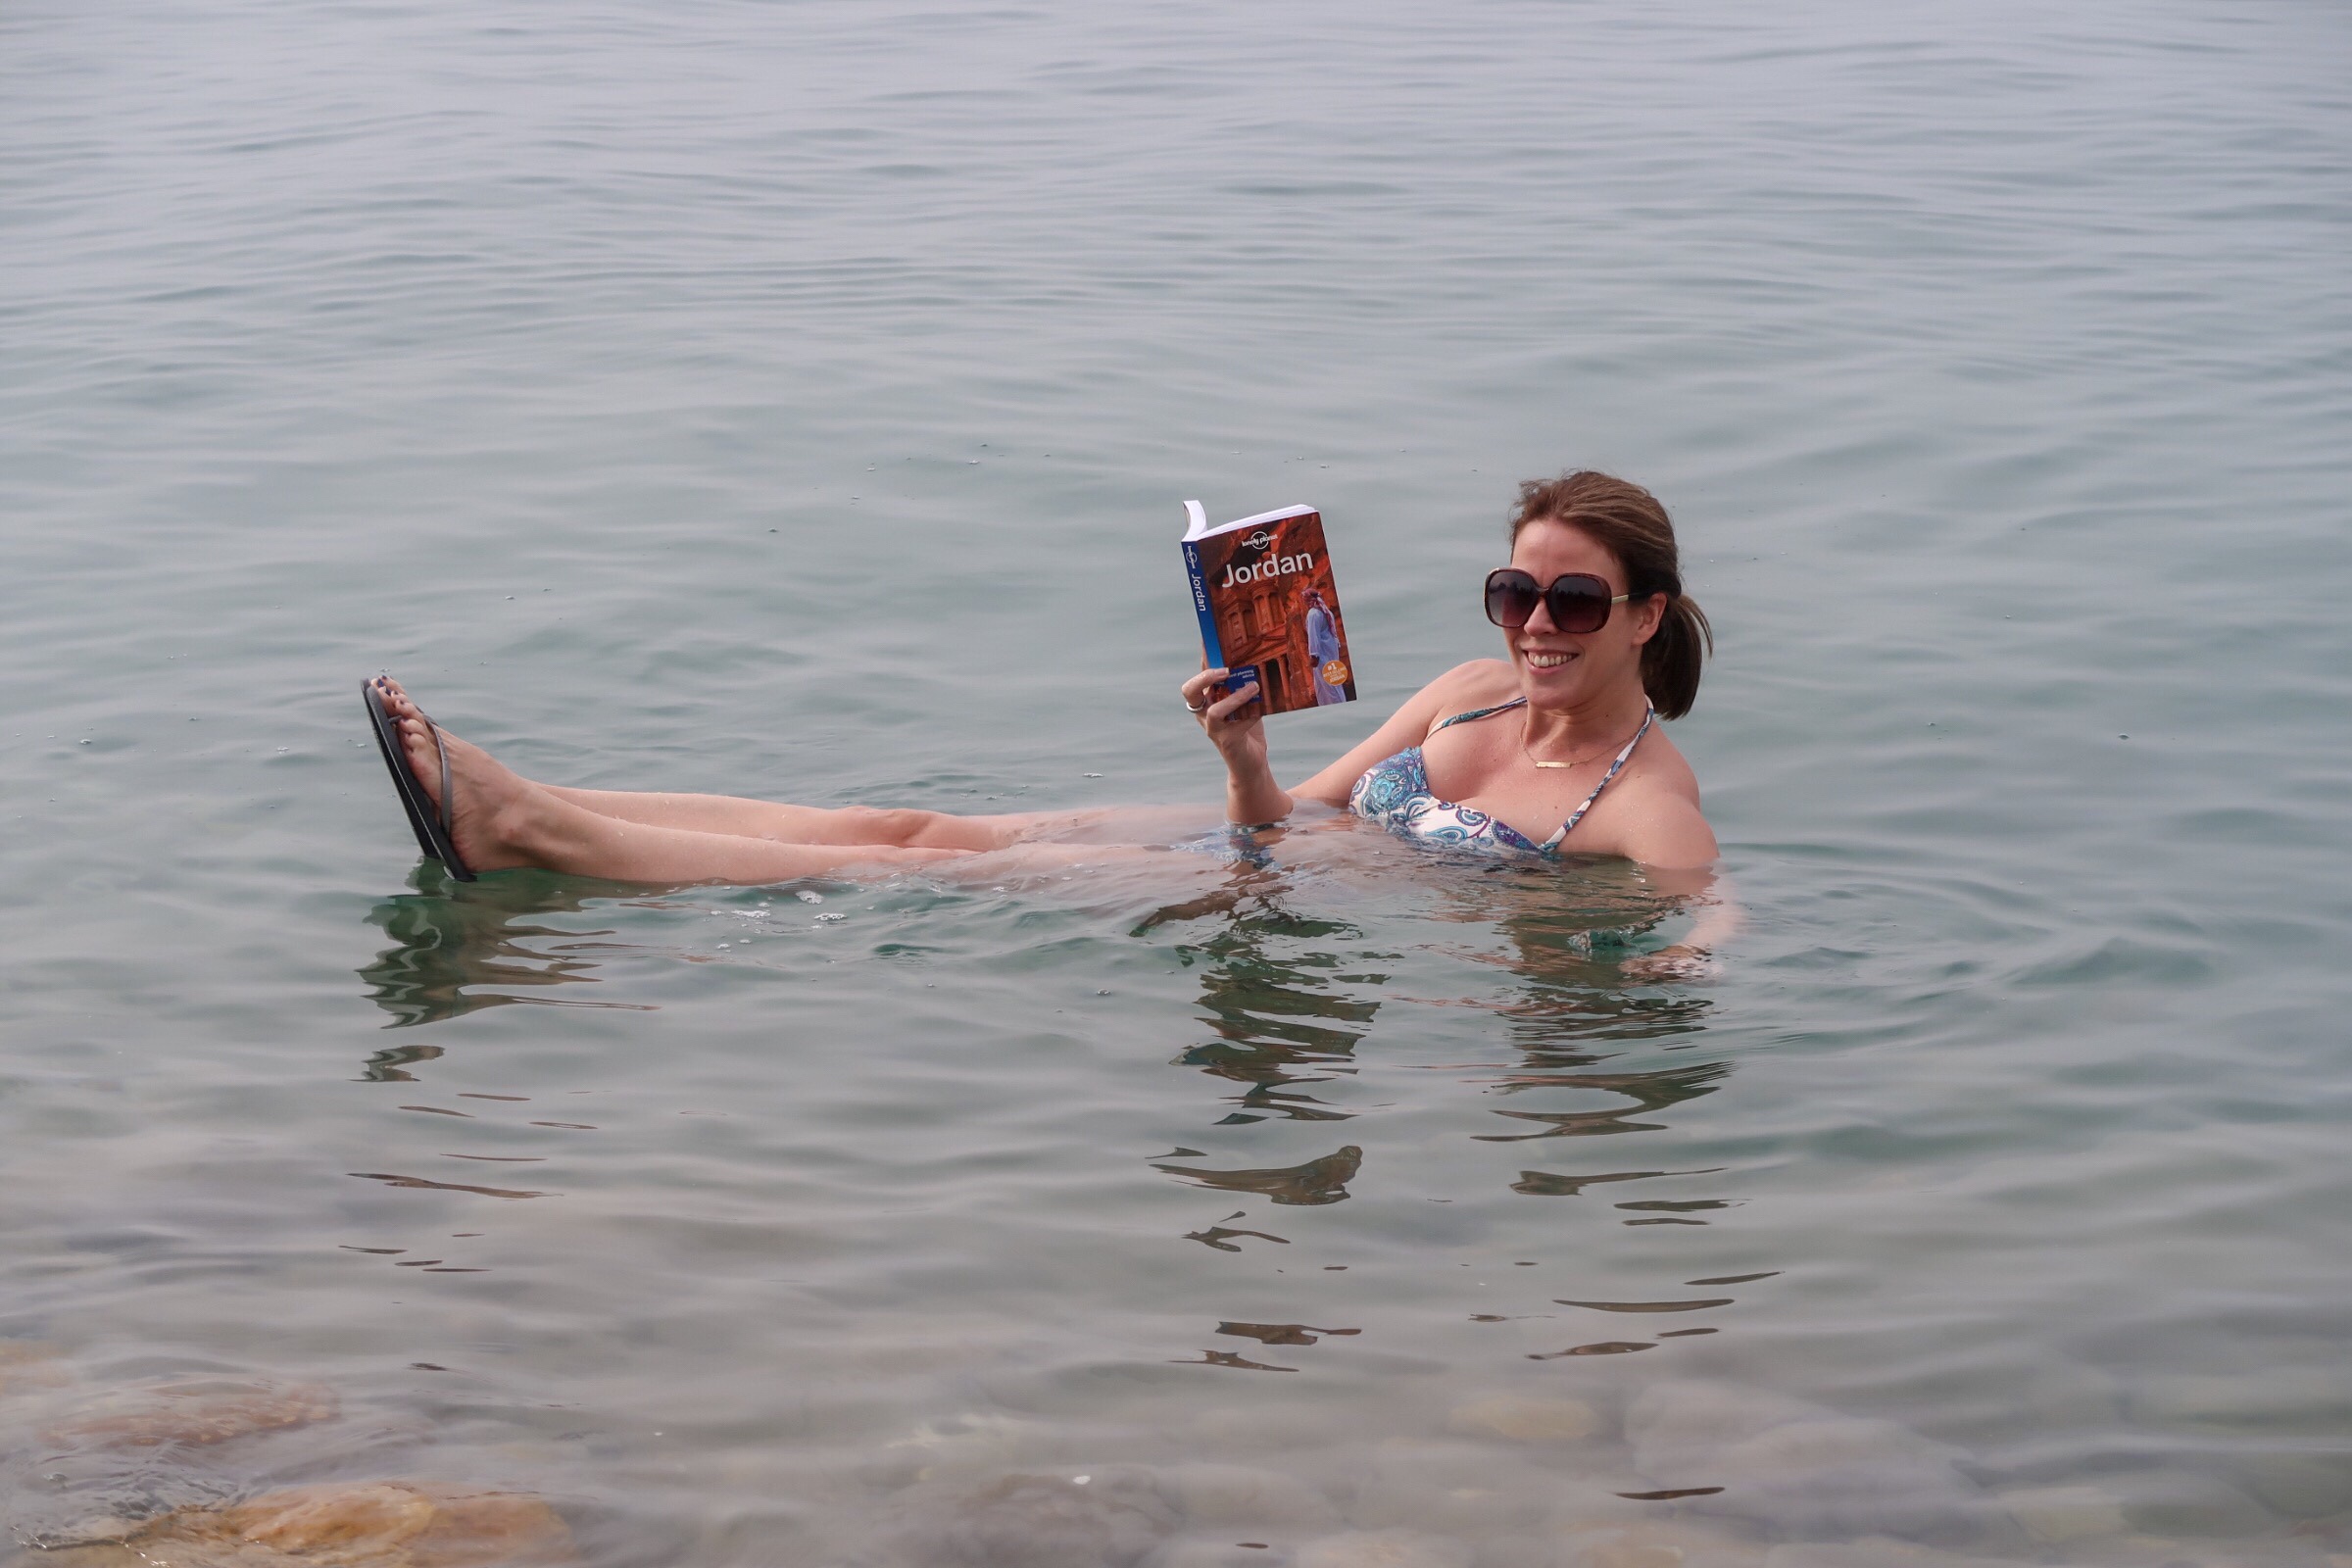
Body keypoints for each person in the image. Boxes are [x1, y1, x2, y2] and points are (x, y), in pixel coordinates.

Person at [364, 469, 1719, 893]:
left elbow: (1694, 946)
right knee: (904, 825)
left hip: (1293, 907)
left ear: (1643, 615)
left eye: (1575, 600)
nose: (1537, 622)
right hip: (1266, 856)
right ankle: (527, 794)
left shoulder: (1648, 807)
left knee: (934, 870)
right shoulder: (1471, 690)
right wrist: (1244, 757)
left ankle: (525, 828)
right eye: (1516, 590)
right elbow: (1286, 818)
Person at [1302, 588, 1347, 706]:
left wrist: (1314, 655)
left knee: (1330, 686)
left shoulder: (1313, 614)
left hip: (1322, 656)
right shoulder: (1325, 611)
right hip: (1330, 652)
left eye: (1305, 599)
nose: (1304, 602)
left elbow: (1313, 635)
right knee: (1324, 686)